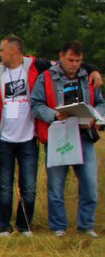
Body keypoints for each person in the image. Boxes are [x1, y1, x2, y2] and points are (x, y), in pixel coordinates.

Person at [29, 40, 104, 237]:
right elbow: (35, 104)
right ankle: (58, 227)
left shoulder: (89, 77)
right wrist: (54, 114)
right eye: (70, 59)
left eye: (78, 60)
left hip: (84, 135)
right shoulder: (45, 77)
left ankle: (86, 226)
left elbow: (101, 103)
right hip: (58, 135)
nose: (74, 64)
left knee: (89, 183)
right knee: (56, 184)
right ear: (61, 57)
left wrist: (95, 117)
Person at [0, 35, 48, 236]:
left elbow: (64, 66)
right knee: (5, 185)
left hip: (28, 138)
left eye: (1, 50)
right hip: (4, 139)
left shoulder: (35, 68)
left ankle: (24, 225)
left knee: (28, 186)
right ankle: (4, 225)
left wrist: (93, 71)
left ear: (13, 51)